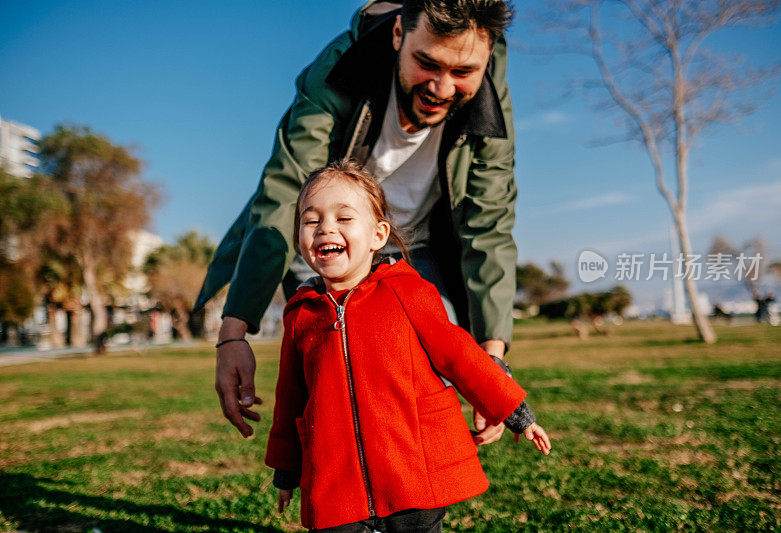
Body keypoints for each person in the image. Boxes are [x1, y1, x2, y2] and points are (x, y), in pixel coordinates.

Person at [198, 0, 520, 446]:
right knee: (333, 377)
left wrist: (493, 360)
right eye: (426, 63)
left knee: (428, 370)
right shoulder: (337, 70)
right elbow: (286, 193)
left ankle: (410, 507)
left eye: (463, 72)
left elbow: (490, 225)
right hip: (329, 236)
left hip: (416, 245)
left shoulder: (489, 96)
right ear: (398, 35)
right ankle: (337, 498)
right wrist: (234, 332)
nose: (442, 88)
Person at [265, 161, 550, 532]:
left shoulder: (408, 291)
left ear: (378, 234)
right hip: (337, 488)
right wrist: (288, 470)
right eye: (311, 219)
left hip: (412, 475)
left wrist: (514, 410)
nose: (325, 228)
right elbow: (290, 397)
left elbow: (460, 355)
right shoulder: (301, 314)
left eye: (344, 218)